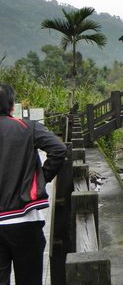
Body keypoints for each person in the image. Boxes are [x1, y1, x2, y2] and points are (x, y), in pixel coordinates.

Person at [0, 84, 66, 285]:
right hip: (25, 219)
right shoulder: (28, 128)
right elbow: (59, 149)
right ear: (12, 107)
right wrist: (42, 179)